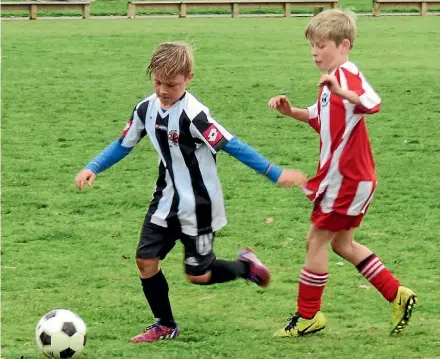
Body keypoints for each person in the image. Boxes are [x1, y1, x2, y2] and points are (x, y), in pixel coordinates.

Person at [75, 41, 307, 343]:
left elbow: (232, 144)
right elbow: (124, 143)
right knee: (145, 261)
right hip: (165, 201)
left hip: (199, 205)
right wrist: (94, 165)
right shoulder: (145, 108)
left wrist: (275, 173)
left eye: (171, 84)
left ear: (189, 78)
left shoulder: (195, 115)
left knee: (198, 275)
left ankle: (245, 267)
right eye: (158, 82)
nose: (162, 90)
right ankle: (165, 324)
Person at [269, 9, 417, 338]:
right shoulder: (331, 82)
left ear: (344, 45)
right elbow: (320, 118)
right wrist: (290, 110)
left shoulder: (346, 75)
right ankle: (398, 294)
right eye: (312, 46)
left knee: (315, 241)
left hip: (347, 179)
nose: (314, 51)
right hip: (348, 178)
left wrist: (340, 91)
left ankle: (308, 316)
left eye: (321, 45)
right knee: (342, 245)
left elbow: (371, 103)